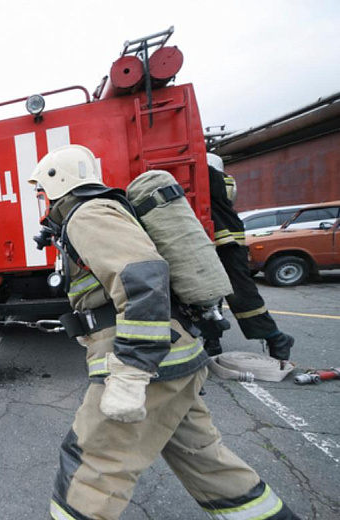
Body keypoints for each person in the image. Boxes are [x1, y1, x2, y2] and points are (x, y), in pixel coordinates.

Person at [29, 145, 298, 520]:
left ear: (56, 182)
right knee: (206, 462)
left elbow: (143, 279)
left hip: (147, 362)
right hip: (173, 357)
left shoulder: (87, 214)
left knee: (91, 464)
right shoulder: (98, 212)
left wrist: (132, 370)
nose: (40, 199)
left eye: (40, 191)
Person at [203, 153, 294, 360]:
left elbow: (209, 184)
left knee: (241, 293)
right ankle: (212, 341)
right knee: (206, 295)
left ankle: (276, 337)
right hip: (207, 243)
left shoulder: (222, 181)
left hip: (228, 244)